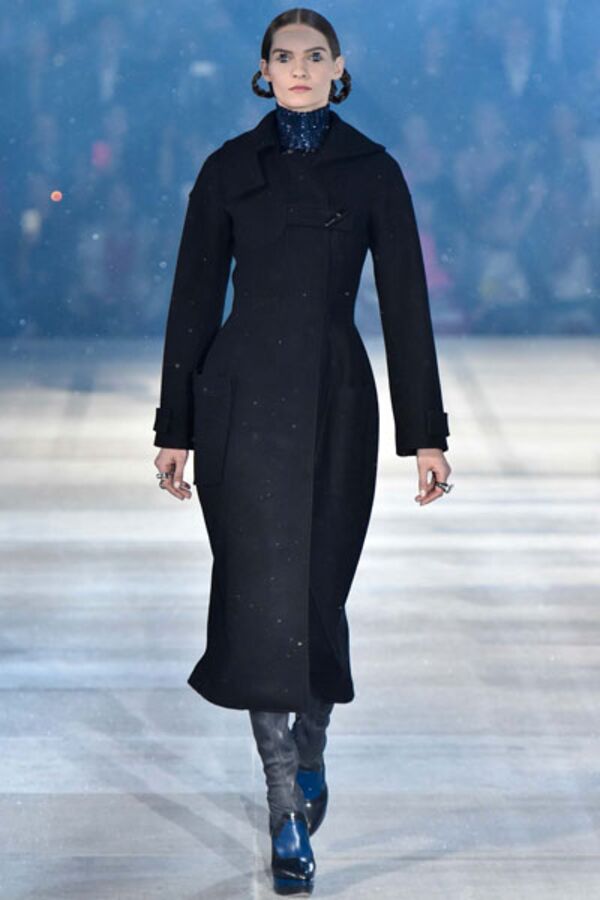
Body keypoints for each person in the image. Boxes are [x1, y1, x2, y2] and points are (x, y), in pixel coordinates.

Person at [152, 8, 453, 896]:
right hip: (240, 402)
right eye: (283, 56)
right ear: (263, 69)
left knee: (318, 592)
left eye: (314, 56)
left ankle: (311, 747)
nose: (298, 68)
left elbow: (405, 304)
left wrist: (427, 434)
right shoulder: (228, 170)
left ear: (338, 68)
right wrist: (175, 427)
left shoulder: (372, 172)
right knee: (257, 599)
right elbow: (193, 300)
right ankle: (283, 801)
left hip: (335, 403)